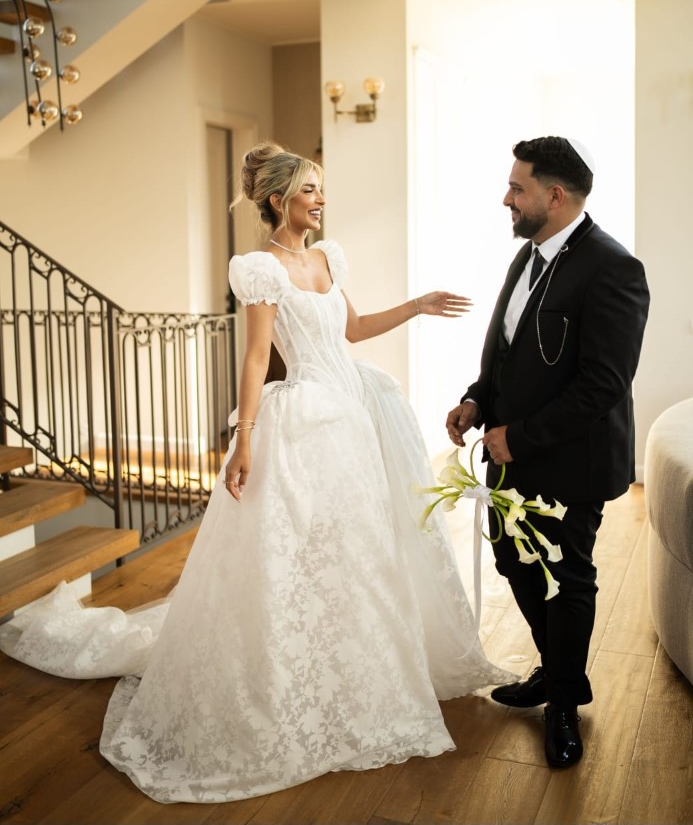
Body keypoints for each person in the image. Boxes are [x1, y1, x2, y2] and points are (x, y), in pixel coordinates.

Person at [0, 141, 510, 804]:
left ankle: (358, 670)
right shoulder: (260, 269)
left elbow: (353, 329)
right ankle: (297, 680)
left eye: (320, 189)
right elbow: (255, 358)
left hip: (354, 414)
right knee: (303, 553)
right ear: (279, 199)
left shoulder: (327, 258)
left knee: (361, 552)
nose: (320, 200)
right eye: (309, 190)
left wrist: (416, 305)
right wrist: (243, 439)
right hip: (306, 420)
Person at [446, 136, 649, 769]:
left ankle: (563, 702)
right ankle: (557, 668)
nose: (506, 198)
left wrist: (521, 437)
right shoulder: (529, 253)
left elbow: (603, 384)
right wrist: (477, 398)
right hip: (511, 454)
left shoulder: (614, 267)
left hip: (571, 460)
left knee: (567, 576)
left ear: (554, 195)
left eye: (518, 188)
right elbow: (508, 351)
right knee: (513, 559)